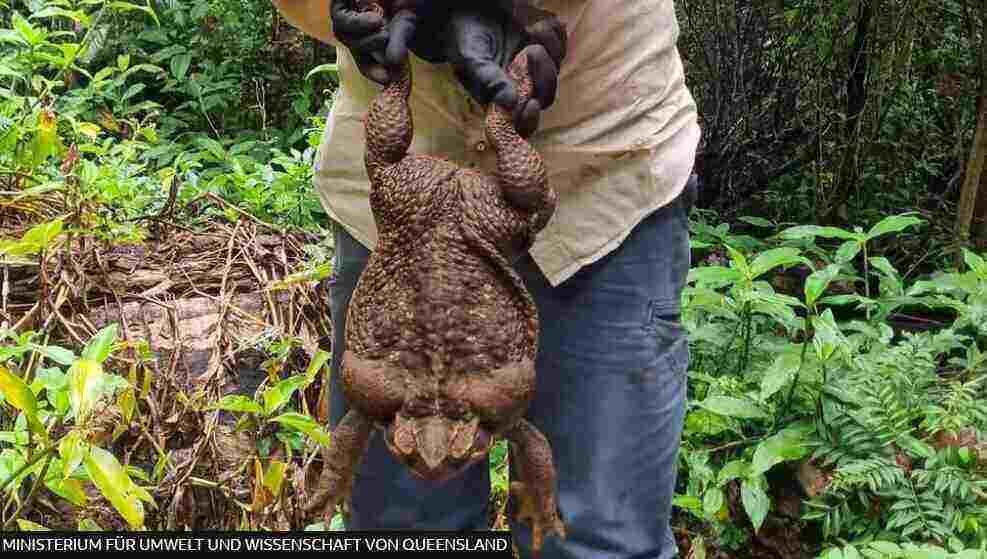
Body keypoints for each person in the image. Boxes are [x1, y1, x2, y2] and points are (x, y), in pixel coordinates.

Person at [270, 2, 700, 558]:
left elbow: (520, 438)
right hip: (402, 208)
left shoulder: (455, 405)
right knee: (401, 533)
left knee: (598, 540)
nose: (431, 460)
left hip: (599, 172)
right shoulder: (408, 404)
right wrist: (368, 9)